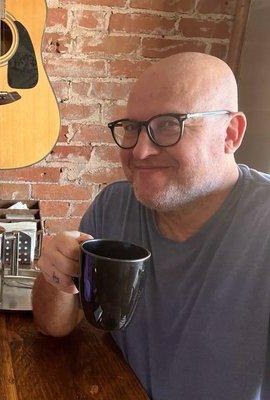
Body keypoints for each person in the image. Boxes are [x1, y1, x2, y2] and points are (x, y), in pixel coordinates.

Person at [32, 52, 270, 400]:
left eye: (170, 125)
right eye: (132, 128)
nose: (140, 151)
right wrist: (55, 276)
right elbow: (54, 326)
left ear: (230, 134)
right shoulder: (114, 206)